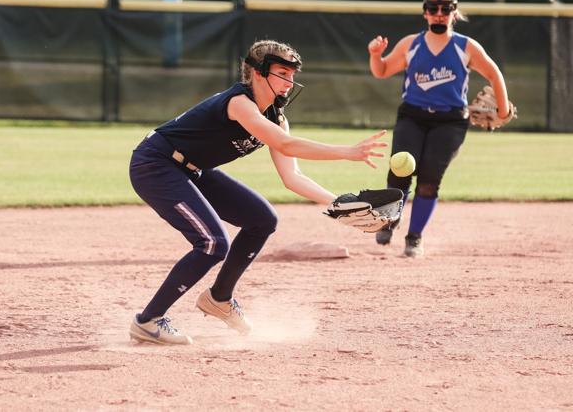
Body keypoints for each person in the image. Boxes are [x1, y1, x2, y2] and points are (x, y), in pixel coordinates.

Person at [128, 39, 388, 345]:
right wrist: (346, 152)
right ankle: (148, 320)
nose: (289, 82)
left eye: (292, 74)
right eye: (281, 72)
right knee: (212, 243)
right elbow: (286, 145)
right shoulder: (239, 103)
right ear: (257, 72)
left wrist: (339, 204)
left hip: (192, 169)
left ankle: (219, 298)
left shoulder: (276, 118)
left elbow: (292, 176)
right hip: (156, 164)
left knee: (262, 219)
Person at [367, 0, 512, 257]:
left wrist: (503, 110)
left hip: (450, 121)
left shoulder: (465, 46)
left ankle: (414, 237)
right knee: (400, 171)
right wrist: (375, 55)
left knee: (429, 179)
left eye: (446, 9)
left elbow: (494, 74)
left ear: (454, 14)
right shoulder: (411, 44)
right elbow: (383, 71)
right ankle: (389, 220)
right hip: (413, 115)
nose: (439, 14)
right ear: (425, 13)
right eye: (433, 8)